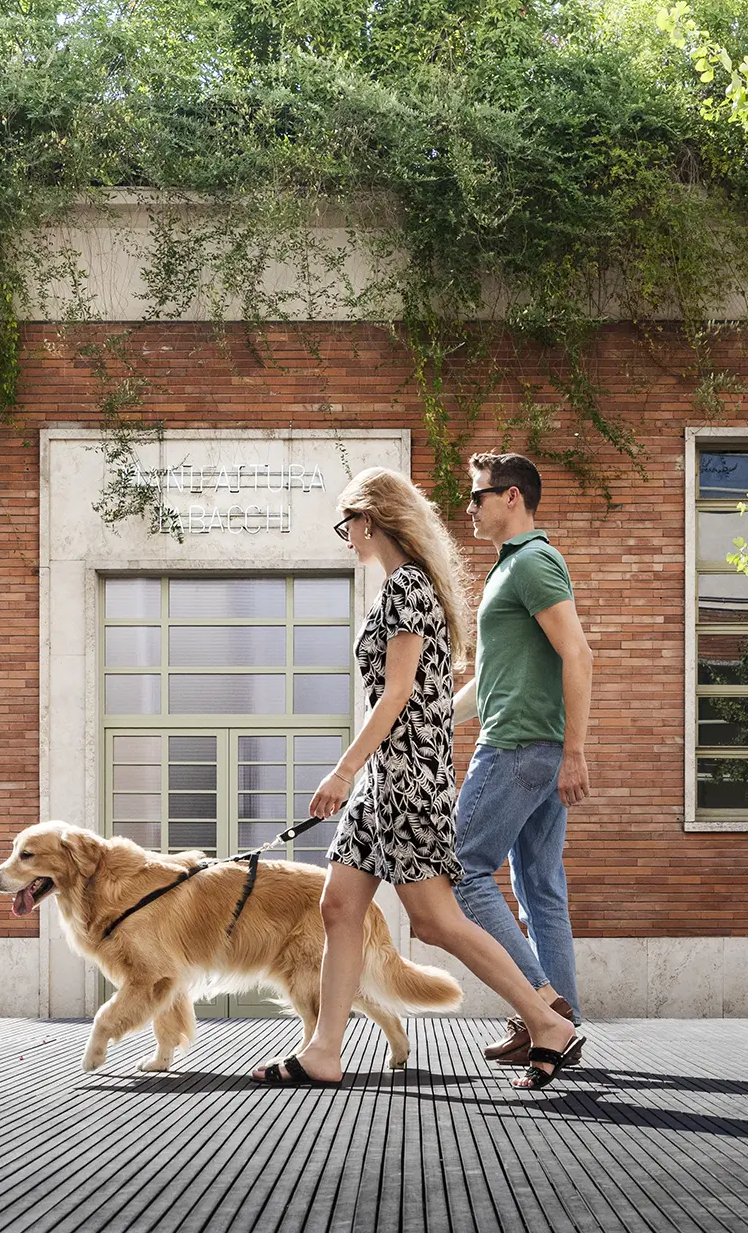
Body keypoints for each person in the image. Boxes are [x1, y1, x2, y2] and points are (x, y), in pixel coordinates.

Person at [251, 467, 582, 1091]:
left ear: (369, 520)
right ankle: (323, 1050)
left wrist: (343, 771)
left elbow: (399, 693)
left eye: (346, 523)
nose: (345, 536)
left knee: (434, 919)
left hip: (404, 778)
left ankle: (546, 1019)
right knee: (339, 905)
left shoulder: (408, 588)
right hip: (387, 777)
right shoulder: (404, 589)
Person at [451, 451, 594, 1067]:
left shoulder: (532, 563)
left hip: (517, 748)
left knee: (461, 871)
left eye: (478, 496)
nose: (470, 508)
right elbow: (490, 685)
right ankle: (560, 1032)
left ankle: (543, 1006)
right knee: (540, 889)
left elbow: (579, 654)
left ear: (511, 497)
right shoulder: (512, 570)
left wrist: (576, 752)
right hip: (533, 746)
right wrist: (419, 714)